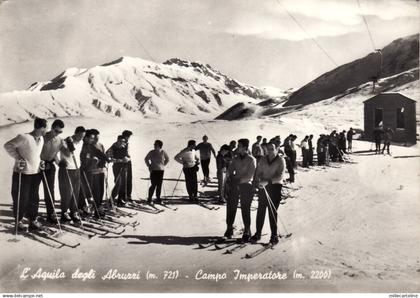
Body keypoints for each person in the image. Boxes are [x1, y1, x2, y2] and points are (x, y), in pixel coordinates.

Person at [4, 117, 47, 231]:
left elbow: (35, 154)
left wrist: (40, 161)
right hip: (23, 173)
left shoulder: (41, 139)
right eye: (45, 128)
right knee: (21, 198)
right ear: (40, 128)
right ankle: (19, 221)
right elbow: (8, 145)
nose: (46, 130)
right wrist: (18, 158)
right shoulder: (24, 137)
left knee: (34, 198)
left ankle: (33, 220)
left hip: (35, 172)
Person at [251, 142, 286, 245]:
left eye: (272, 149)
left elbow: (280, 176)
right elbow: (258, 171)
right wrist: (257, 180)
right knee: (261, 211)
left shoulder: (280, 160)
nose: (270, 151)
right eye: (268, 149)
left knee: (272, 211)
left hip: (275, 187)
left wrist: (267, 181)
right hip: (263, 186)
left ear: (276, 149)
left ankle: (274, 235)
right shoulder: (263, 159)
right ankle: (258, 233)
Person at [224, 138, 256, 242]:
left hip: (246, 185)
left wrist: (239, 181)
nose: (237, 148)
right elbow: (230, 170)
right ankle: (229, 228)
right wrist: (229, 176)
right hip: (235, 184)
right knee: (231, 206)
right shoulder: (236, 158)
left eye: (239, 146)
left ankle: (247, 230)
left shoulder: (251, 160)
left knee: (245, 208)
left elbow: (250, 175)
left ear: (245, 148)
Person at [58, 126, 85, 226]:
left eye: (83, 136)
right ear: (76, 133)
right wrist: (70, 144)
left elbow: (77, 154)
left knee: (76, 191)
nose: (81, 138)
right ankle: (64, 212)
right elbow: (66, 153)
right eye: (80, 136)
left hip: (76, 169)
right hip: (67, 169)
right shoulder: (66, 141)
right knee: (67, 192)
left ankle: (74, 211)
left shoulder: (81, 142)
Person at [40, 119, 65, 224]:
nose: (57, 133)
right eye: (56, 131)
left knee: (50, 190)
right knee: (33, 189)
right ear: (51, 128)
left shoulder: (59, 140)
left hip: (50, 166)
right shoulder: (42, 137)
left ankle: (51, 213)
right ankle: (30, 214)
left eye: (60, 132)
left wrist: (59, 163)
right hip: (38, 165)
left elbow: (55, 154)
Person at [80, 129, 109, 214]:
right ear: (86, 138)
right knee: (83, 190)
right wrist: (90, 160)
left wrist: (107, 158)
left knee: (90, 190)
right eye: (91, 138)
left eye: (94, 138)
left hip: (89, 171)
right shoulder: (82, 145)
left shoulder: (90, 146)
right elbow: (82, 157)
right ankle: (80, 208)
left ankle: (91, 207)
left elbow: (98, 152)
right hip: (82, 170)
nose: (93, 140)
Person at [106, 135, 131, 207]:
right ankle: (111, 200)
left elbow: (129, 156)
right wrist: (113, 159)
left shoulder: (125, 147)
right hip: (116, 167)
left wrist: (127, 159)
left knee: (124, 183)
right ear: (117, 140)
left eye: (123, 141)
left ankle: (120, 200)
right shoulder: (113, 147)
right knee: (118, 183)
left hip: (124, 167)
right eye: (121, 141)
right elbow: (107, 156)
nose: (122, 143)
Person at [144, 140, 170, 204]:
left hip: (161, 171)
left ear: (160, 146)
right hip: (153, 170)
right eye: (154, 145)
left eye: (156, 145)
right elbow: (146, 159)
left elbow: (167, 159)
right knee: (153, 184)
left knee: (159, 185)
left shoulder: (163, 152)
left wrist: (163, 165)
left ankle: (158, 198)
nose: (154, 146)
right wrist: (149, 166)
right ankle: (149, 198)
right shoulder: (152, 152)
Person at [122, 130, 133, 201]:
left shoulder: (127, 143)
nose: (129, 138)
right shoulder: (121, 143)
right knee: (124, 180)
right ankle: (123, 196)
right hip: (123, 162)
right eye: (128, 136)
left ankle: (128, 195)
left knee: (129, 179)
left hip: (128, 161)